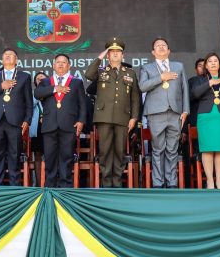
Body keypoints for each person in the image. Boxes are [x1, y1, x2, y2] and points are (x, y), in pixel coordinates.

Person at [84, 38, 141, 188]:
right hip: (104, 117)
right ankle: (106, 181)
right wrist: (100, 57)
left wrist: (134, 117)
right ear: (108, 55)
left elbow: (135, 97)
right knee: (105, 150)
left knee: (120, 150)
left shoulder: (130, 73)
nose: (115, 54)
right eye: (112, 52)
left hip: (123, 117)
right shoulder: (102, 72)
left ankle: (117, 181)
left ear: (123, 55)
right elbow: (88, 74)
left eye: (118, 52)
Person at [138, 37, 189, 188]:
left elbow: (184, 89)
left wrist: (185, 110)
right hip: (155, 113)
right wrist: (161, 77)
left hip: (175, 112)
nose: (161, 47)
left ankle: (172, 182)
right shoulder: (147, 68)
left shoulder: (178, 66)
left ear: (169, 50)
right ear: (153, 52)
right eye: (157, 46)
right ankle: (158, 183)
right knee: (158, 148)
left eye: (164, 45)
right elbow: (142, 86)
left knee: (172, 149)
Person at [34, 54, 86, 188]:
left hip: (69, 125)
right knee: (50, 158)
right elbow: (37, 94)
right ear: (53, 65)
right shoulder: (46, 82)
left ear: (69, 66)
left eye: (64, 62)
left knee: (66, 158)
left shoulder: (76, 82)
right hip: (49, 125)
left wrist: (81, 121)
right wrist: (54, 89)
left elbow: (82, 104)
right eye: (58, 62)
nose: (61, 64)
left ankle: (65, 188)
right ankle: (49, 187)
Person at [0, 48, 33, 186]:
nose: (8, 57)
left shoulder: (24, 76)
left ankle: (14, 185)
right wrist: (1, 86)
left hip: (15, 121)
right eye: (5, 55)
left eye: (11, 55)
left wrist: (27, 120)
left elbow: (29, 102)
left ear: (16, 60)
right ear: (1, 60)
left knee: (14, 154)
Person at [190, 52, 220, 189]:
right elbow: (194, 94)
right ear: (206, 65)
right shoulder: (200, 79)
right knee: (207, 150)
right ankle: (210, 181)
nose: (213, 63)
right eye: (209, 61)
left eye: (215, 61)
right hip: (205, 118)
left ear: (219, 64)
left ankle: (219, 181)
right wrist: (209, 82)